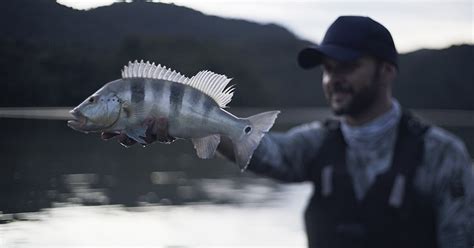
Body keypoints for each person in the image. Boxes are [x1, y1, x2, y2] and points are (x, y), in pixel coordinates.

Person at [102, 16, 474, 248]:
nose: (333, 80)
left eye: (347, 66)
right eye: (328, 69)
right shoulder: (317, 141)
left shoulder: (443, 154)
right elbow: (264, 153)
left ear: (387, 72)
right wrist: (190, 126)